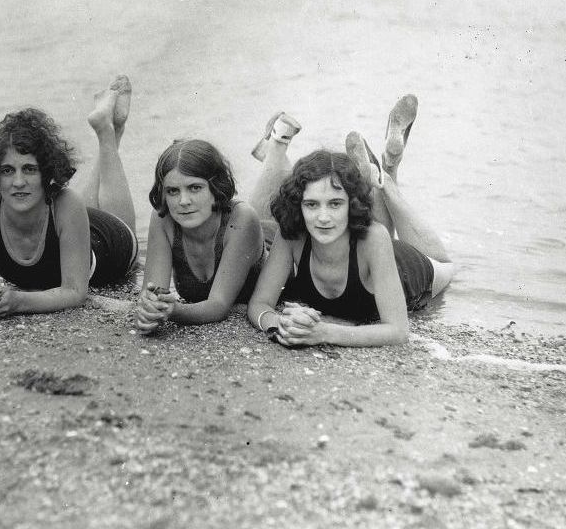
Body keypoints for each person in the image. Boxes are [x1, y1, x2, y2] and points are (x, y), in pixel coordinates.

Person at [247, 95, 455, 347]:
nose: (323, 217)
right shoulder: (292, 234)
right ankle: (382, 173)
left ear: (351, 205)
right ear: (298, 205)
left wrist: (322, 333)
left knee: (447, 265)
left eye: (335, 204)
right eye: (311, 204)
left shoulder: (375, 238)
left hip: (405, 269)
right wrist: (279, 325)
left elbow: (398, 331)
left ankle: (386, 181)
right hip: (367, 258)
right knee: (373, 233)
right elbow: (259, 304)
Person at [0, 76, 139, 319]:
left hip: (109, 243)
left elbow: (74, 292)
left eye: (29, 169)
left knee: (107, 216)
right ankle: (108, 128)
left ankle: (108, 132)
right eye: (8, 170)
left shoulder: (67, 202)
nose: (18, 182)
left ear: (46, 173)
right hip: (68, 223)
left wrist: (18, 301)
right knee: (75, 209)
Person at [133, 113, 302, 333]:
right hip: (242, 231)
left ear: (216, 187)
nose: (183, 201)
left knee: (276, 204)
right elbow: (153, 293)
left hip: (266, 240)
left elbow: (218, 306)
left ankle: (278, 144)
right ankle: (276, 143)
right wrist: (150, 308)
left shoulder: (241, 219)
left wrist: (173, 311)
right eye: (173, 191)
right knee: (262, 204)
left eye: (195, 188)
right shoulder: (164, 217)